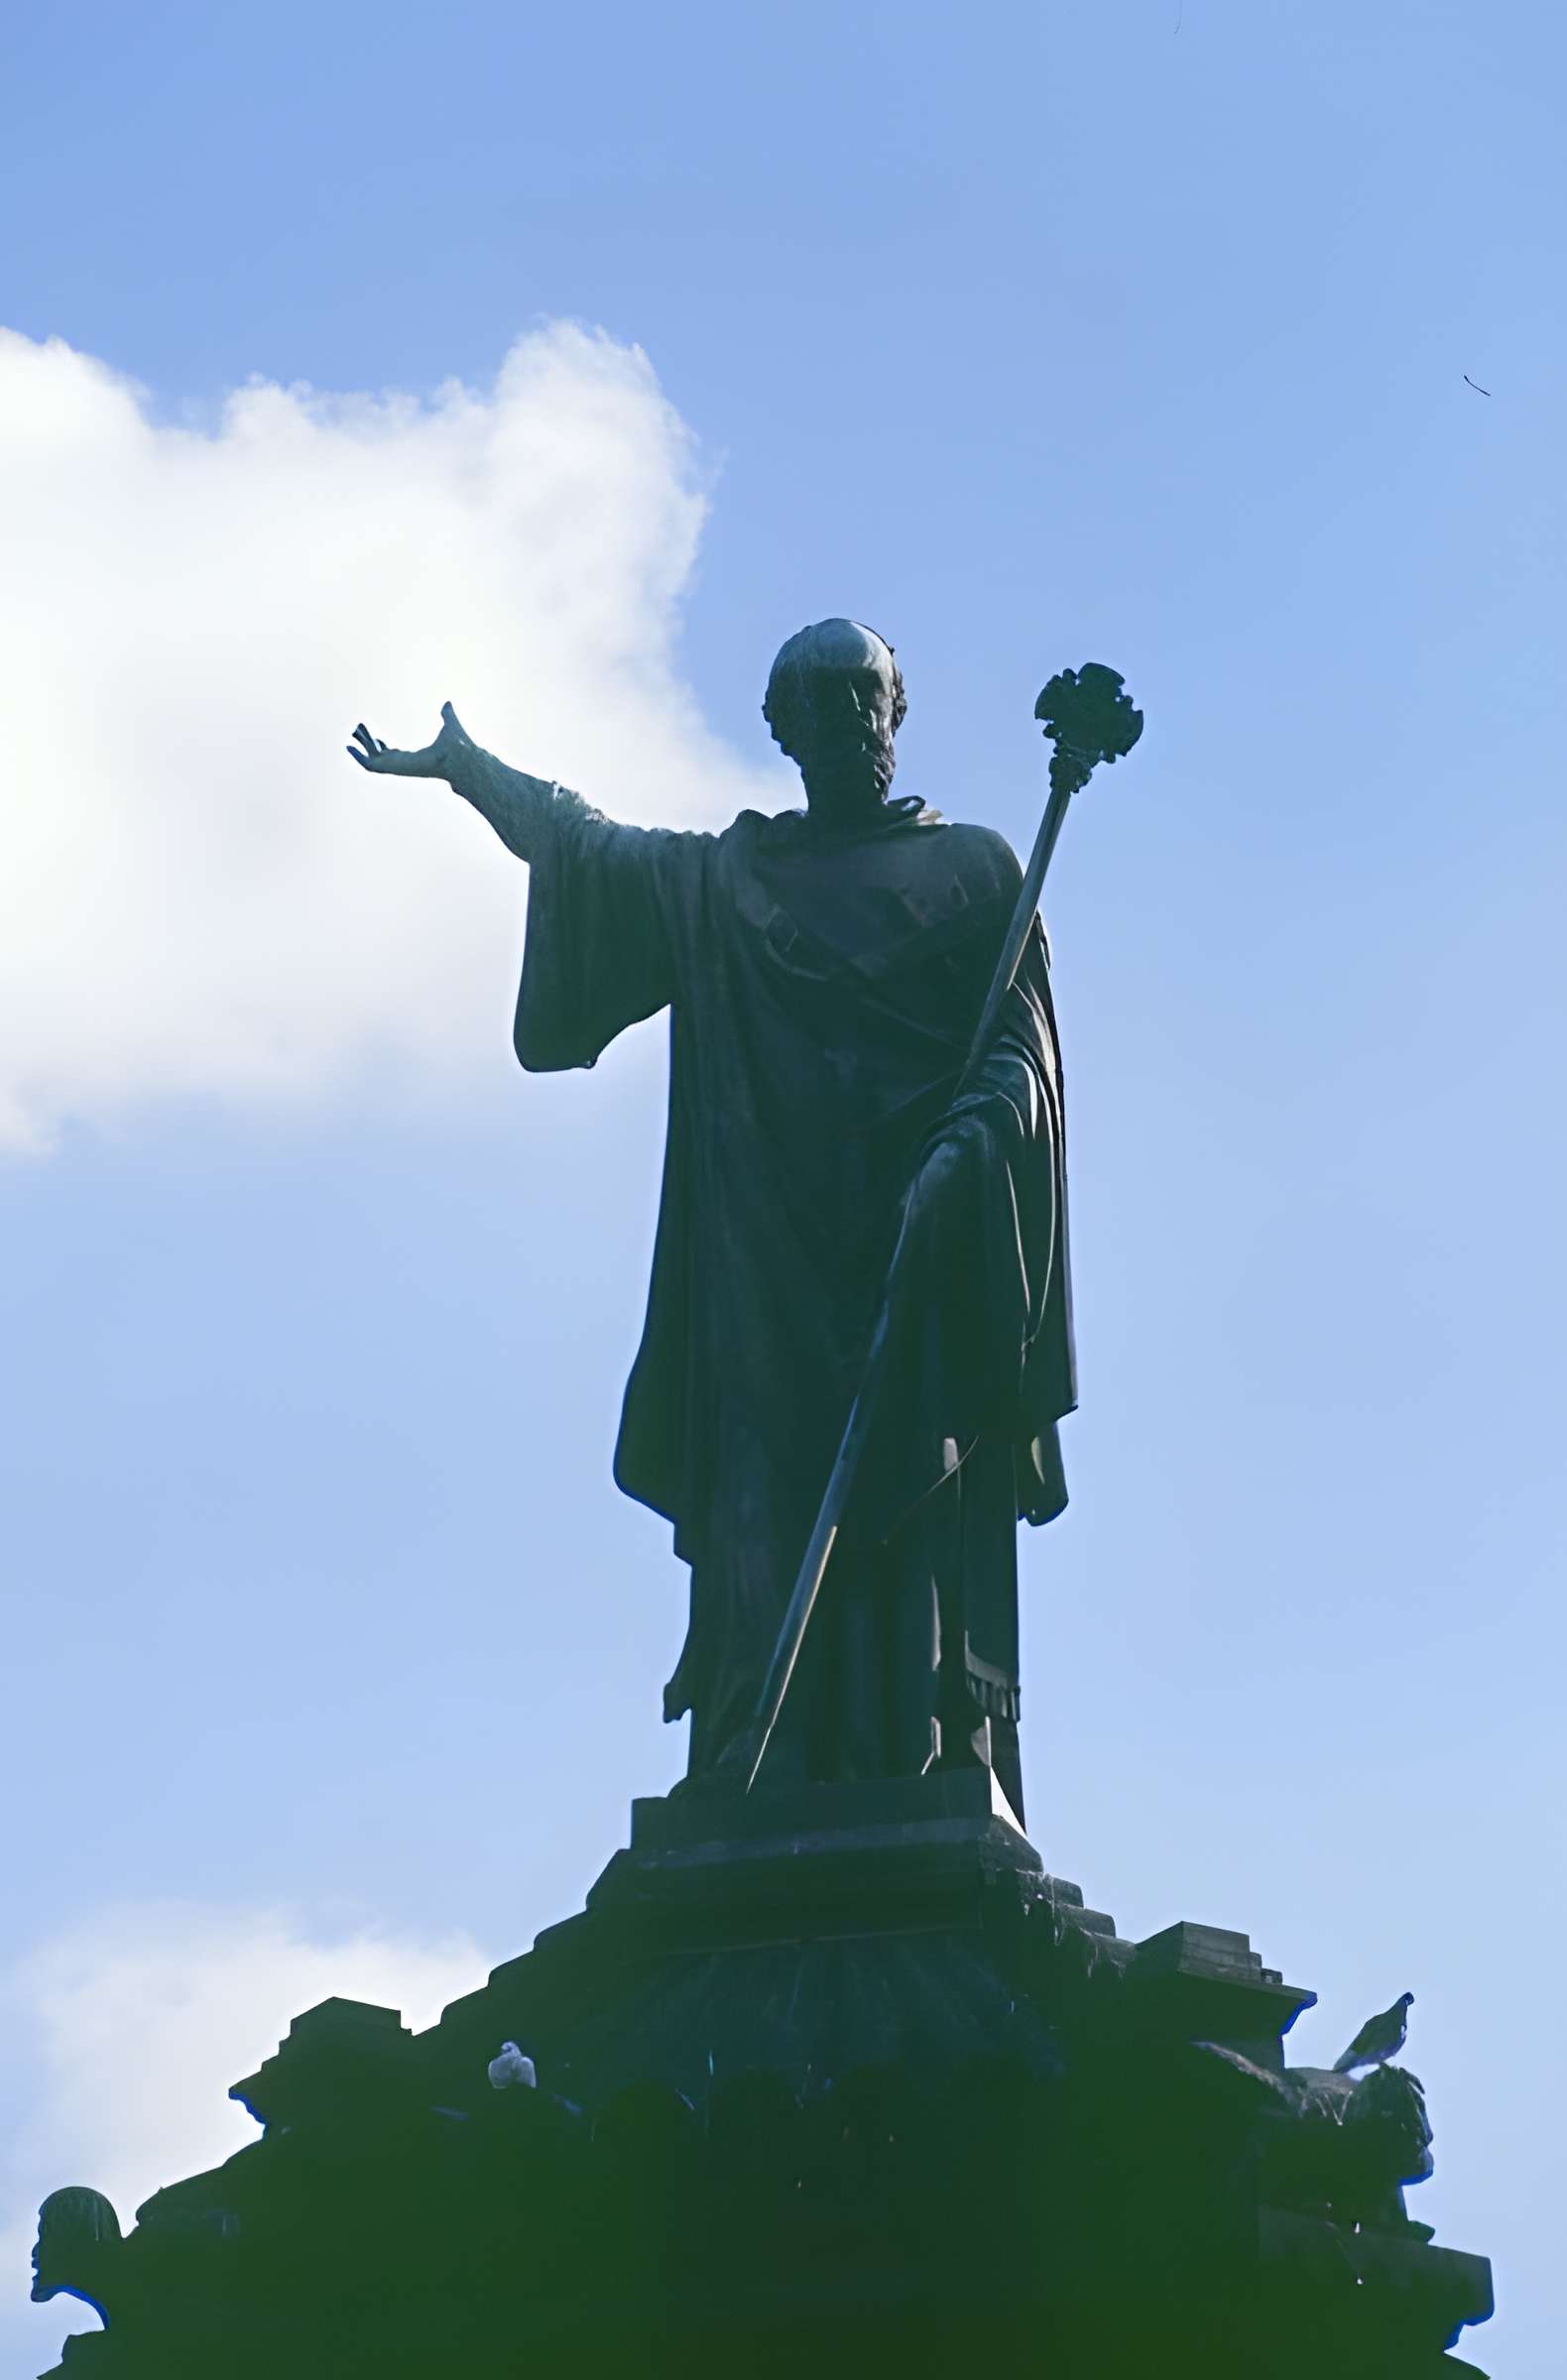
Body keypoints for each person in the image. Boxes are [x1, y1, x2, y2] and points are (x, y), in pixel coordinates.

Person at [350, 619, 1074, 1822]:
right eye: (818, 704)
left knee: (912, 1512)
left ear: (898, 714)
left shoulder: (977, 877)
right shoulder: (729, 884)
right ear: (779, 729)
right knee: (764, 1505)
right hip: (763, 1271)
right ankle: (761, 1746)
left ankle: (924, 1744)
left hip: (917, 1250)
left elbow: (1022, 1057)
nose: (847, 725)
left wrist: (971, 1144)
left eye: (864, 700)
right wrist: (468, 769)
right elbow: (585, 849)